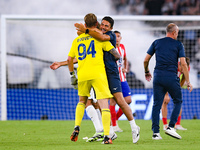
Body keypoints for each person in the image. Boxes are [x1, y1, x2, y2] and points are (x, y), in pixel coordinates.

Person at [75, 16, 140, 144]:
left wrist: (85, 30)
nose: (104, 27)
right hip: (101, 75)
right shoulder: (96, 34)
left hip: (112, 74)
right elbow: (84, 33)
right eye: (102, 25)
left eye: (107, 26)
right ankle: (109, 132)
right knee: (102, 104)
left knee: (120, 101)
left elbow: (101, 37)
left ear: (111, 28)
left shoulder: (110, 35)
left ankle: (134, 127)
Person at [68, 13, 121, 144]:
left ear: (85, 25)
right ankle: (107, 136)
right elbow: (116, 54)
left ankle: (76, 127)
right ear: (97, 24)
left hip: (82, 75)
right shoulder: (99, 39)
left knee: (82, 102)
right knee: (104, 105)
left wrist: (72, 75)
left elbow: (70, 59)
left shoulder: (77, 40)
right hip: (98, 75)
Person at [143, 23, 193, 140]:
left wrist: (146, 71)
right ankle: (171, 127)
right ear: (174, 32)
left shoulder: (156, 42)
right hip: (171, 76)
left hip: (158, 76)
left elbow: (145, 60)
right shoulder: (178, 44)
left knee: (156, 105)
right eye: (177, 33)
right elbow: (183, 63)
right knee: (178, 100)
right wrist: (188, 81)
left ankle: (156, 133)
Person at [109, 30, 132, 132]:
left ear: (121, 38)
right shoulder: (109, 47)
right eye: (115, 36)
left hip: (123, 78)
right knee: (113, 101)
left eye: (119, 36)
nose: (117, 38)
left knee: (128, 100)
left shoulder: (122, 47)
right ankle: (114, 125)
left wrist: (126, 69)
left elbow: (125, 59)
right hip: (113, 78)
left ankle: (115, 119)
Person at [162, 57, 190, 131]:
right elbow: (165, 80)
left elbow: (183, 78)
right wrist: (166, 94)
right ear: (179, 65)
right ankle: (165, 125)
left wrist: (178, 89)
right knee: (165, 101)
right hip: (163, 81)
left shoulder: (186, 67)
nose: (184, 70)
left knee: (179, 101)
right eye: (183, 68)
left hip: (174, 83)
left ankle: (177, 124)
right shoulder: (172, 67)